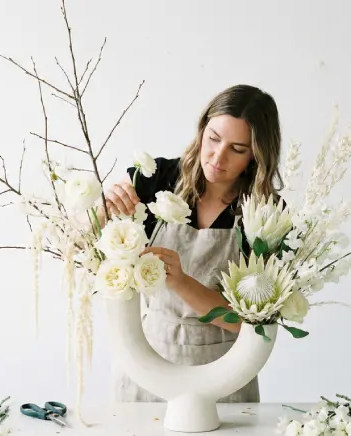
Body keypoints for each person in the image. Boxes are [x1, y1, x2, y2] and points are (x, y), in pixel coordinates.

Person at [104, 84, 284, 403]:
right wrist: (103, 205)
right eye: (213, 138)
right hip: (147, 366)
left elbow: (248, 322)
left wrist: (182, 282)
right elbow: (84, 234)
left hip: (224, 377)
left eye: (237, 149)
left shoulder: (265, 214)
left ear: (256, 155)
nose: (217, 157)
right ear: (201, 130)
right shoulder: (157, 178)